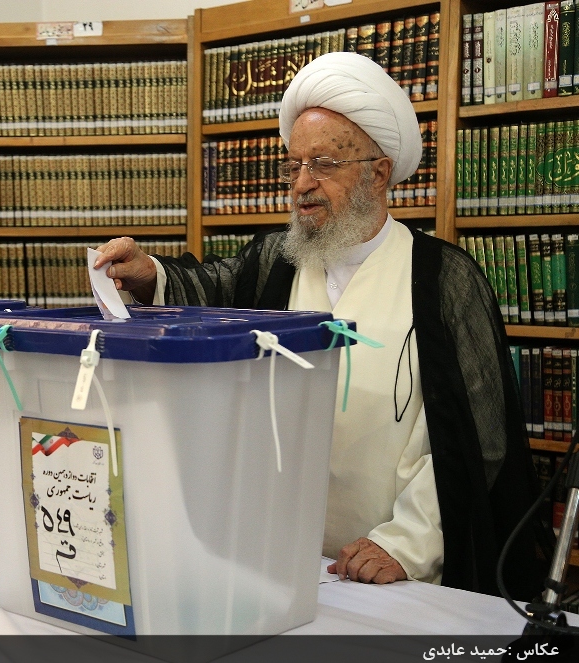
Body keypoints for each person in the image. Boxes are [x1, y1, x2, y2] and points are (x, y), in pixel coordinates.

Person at [94, 52, 543, 599]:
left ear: (379, 173)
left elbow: (481, 439)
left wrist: (407, 544)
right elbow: (215, 288)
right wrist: (147, 274)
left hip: (394, 570)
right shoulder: (276, 260)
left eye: (324, 164)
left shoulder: (444, 278)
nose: (302, 184)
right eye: (294, 166)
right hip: (281, 555)